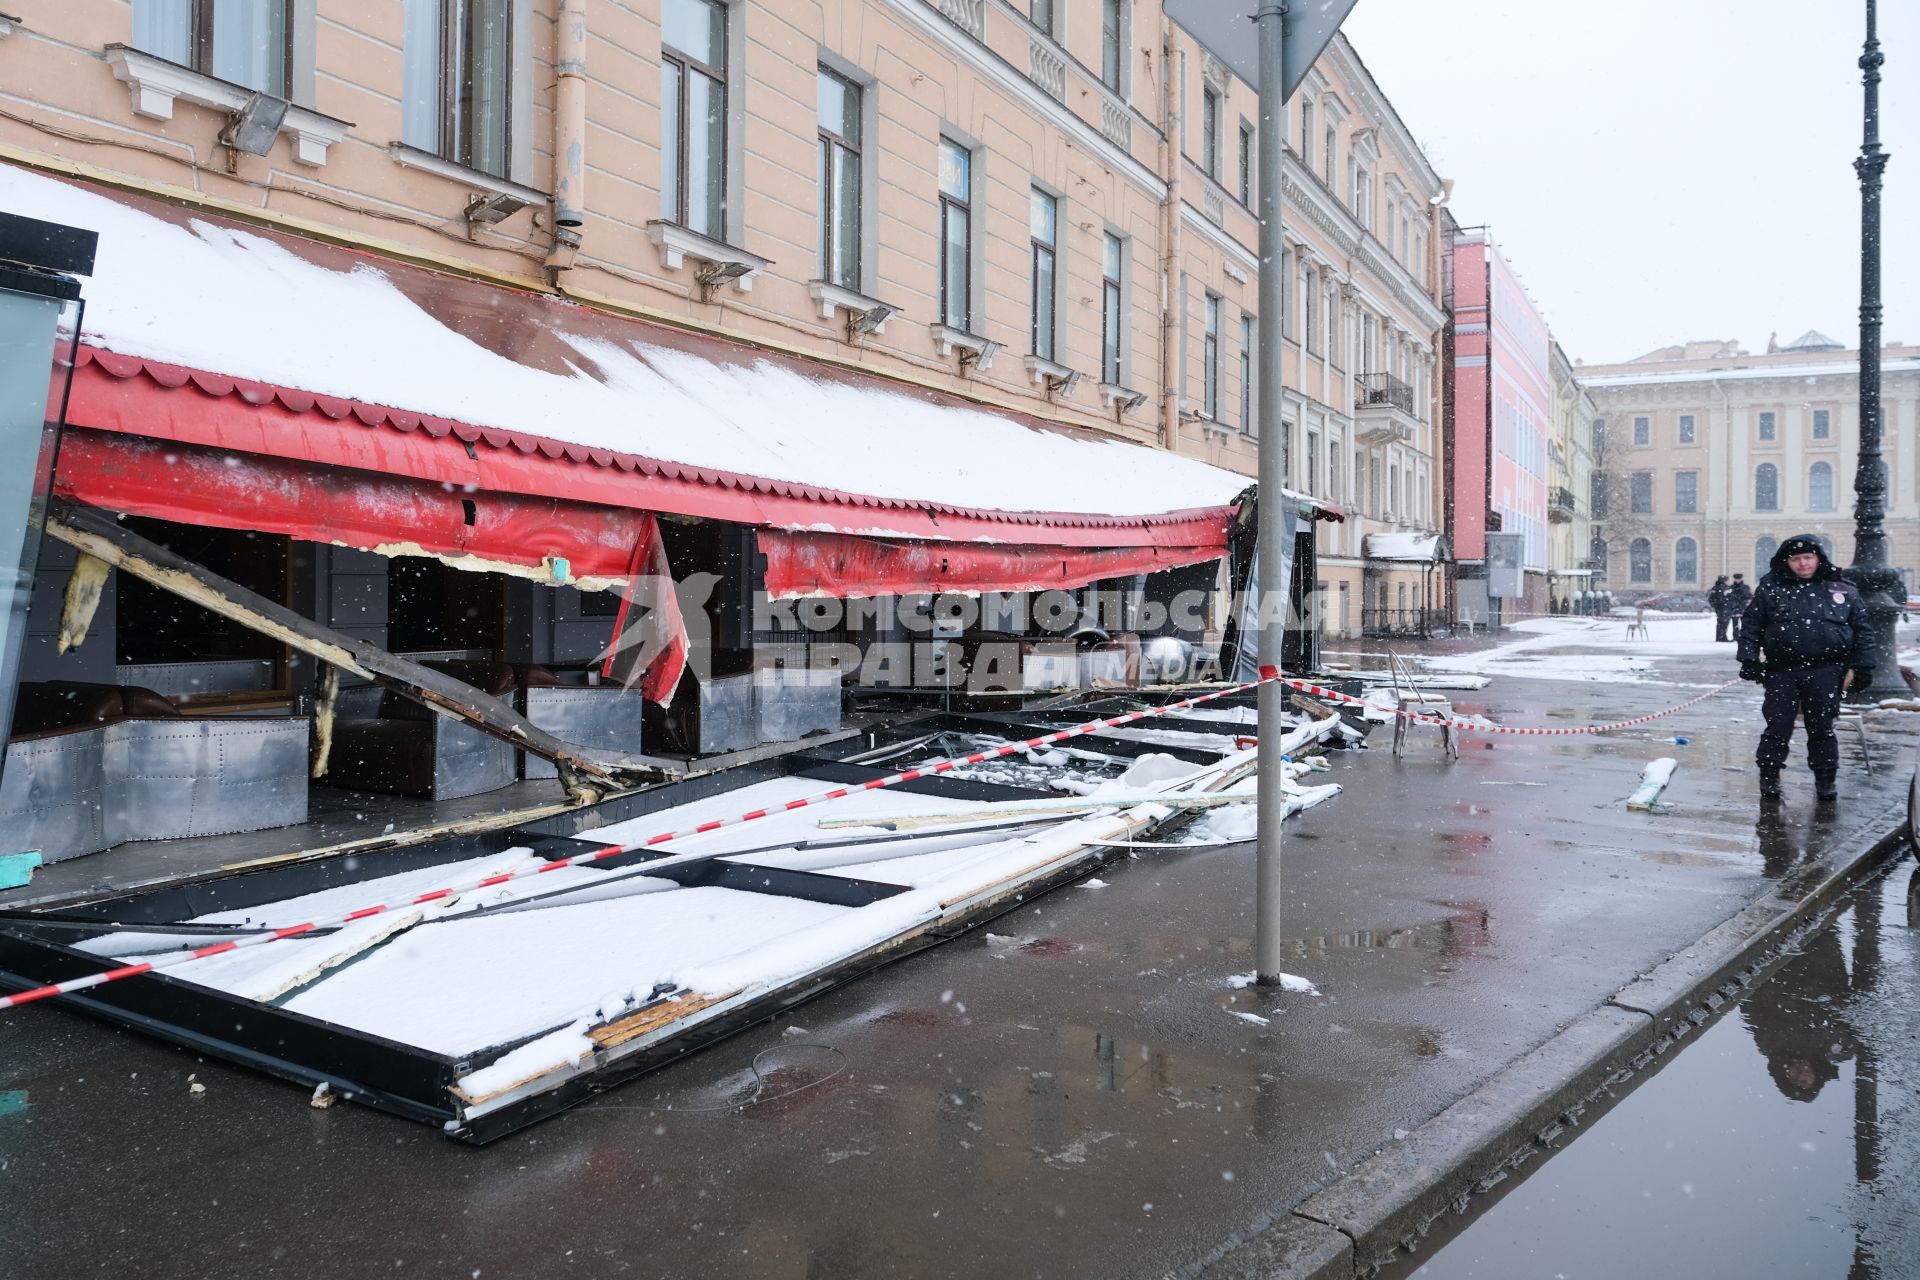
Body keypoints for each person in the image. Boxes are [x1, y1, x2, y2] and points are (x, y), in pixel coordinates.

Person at [1737, 535, 1872, 802]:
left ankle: (1825, 780)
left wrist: (1864, 666)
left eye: (1808, 557)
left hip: (1826, 671)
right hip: (1782, 672)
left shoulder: (1842, 589)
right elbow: (1752, 626)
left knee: (1822, 728)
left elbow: (1862, 631)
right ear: (1786, 562)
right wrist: (1749, 659)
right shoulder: (1771, 588)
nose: (1802, 563)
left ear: (1818, 558)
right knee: (1778, 726)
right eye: (1796, 559)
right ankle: (1770, 776)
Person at [1726, 573, 1752, 644]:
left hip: (1743, 608)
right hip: (1734, 608)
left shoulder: (1745, 587)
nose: (1737, 580)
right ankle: (1736, 636)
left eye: (1739, 579)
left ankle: (1744, 636)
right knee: (1735, 624)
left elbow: (1749, 597)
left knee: (1744, 623)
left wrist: (1744, 603)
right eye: (1736, 579)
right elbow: (1728, 598)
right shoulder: (1731, 588)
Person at [1708, 574, 1732, 641]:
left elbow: (1711, 599)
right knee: (1723, 623)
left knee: (1721, 623)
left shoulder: (1716, 588)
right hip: (1723, 608)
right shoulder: (1724, 588)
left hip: (1723, 608)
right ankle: (1722, 637)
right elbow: (1713, 599)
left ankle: (1721, 637)